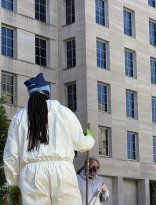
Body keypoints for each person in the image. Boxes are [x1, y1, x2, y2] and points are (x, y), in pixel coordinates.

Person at [3, 73, 95, 205]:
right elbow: (81, 144)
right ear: (48, 93)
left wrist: (13, 183)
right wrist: (90, 137)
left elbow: (11, 155)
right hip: (63, 172)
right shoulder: (64, 112)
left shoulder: (18, 118)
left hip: (31, 175)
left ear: (30, 95)